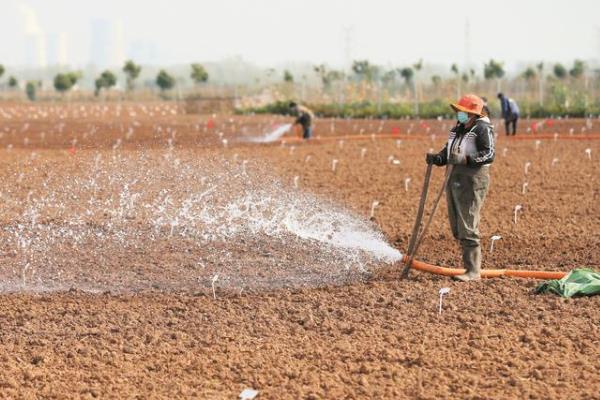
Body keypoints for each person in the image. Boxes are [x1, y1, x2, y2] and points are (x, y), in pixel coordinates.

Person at [425, 94, 494, 281]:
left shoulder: (482, 129)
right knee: (457, 225)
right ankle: (469, 267)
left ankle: (473, 271)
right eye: (459, 111)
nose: (459, 114)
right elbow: (449, 150)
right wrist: (438, 158)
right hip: (454, 177)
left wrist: (466, 159)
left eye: (463, 112)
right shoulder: (458, 128)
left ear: (473, 113)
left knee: (468, 223)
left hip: (472, 180)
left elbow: (488, 154)